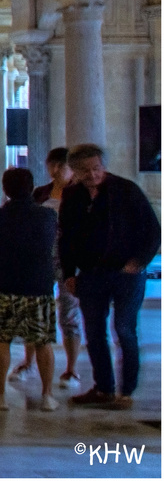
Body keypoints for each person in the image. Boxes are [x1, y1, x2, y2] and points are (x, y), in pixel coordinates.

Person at [58, 143, 161, 410]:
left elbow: (152, 230)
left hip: (126, 272)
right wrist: (69, 273)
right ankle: (103, 388)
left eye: (96, 168)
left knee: (125, 330)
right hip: (91, 274)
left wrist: (138, 262)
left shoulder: (126, 191)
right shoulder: (72, 196)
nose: (92, 175)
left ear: (103, 166)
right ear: (75, 171)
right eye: (85, 170)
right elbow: (66, 237)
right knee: (94, 332)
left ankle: (126, 391)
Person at [0, 167, 60, 411]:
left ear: (5, 189)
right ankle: (47, 395)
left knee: (1, 339)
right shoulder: (47, 216)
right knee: (42, 340)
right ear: (32, 187)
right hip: (38, 285)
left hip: (4, 284)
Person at [15, 147, 83, 387]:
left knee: (69, 314)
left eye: (60, 166)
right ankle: (28, 362)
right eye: (51, 165)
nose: (54, 171)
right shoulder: (41, 193)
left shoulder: (79, 195)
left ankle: (72, 369)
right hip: (41, 260)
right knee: (35, 312)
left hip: (69, 262)